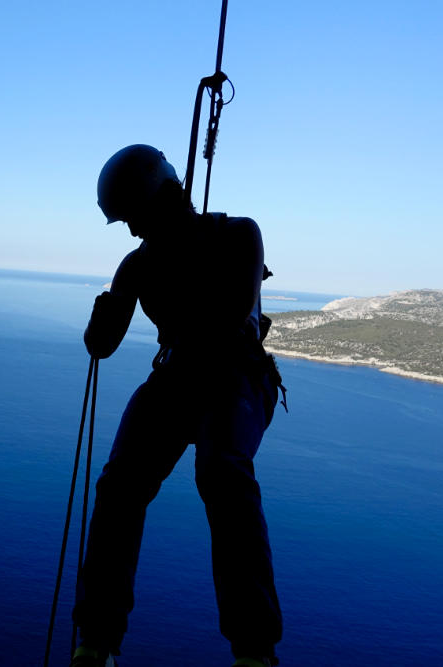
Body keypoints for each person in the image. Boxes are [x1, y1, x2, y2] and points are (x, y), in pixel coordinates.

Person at [70, 145, 284, 667]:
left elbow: (232, 320)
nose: (131, 231)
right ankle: (96, 642)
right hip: (179, 376)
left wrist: (160, 269)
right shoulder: (139, 263)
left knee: (222, 473)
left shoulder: (239, 235)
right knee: (120, 483)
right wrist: (114, 298)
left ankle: (254, 651)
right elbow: (102, 344)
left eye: (133, 218)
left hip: (234, 373)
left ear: (159, 199)